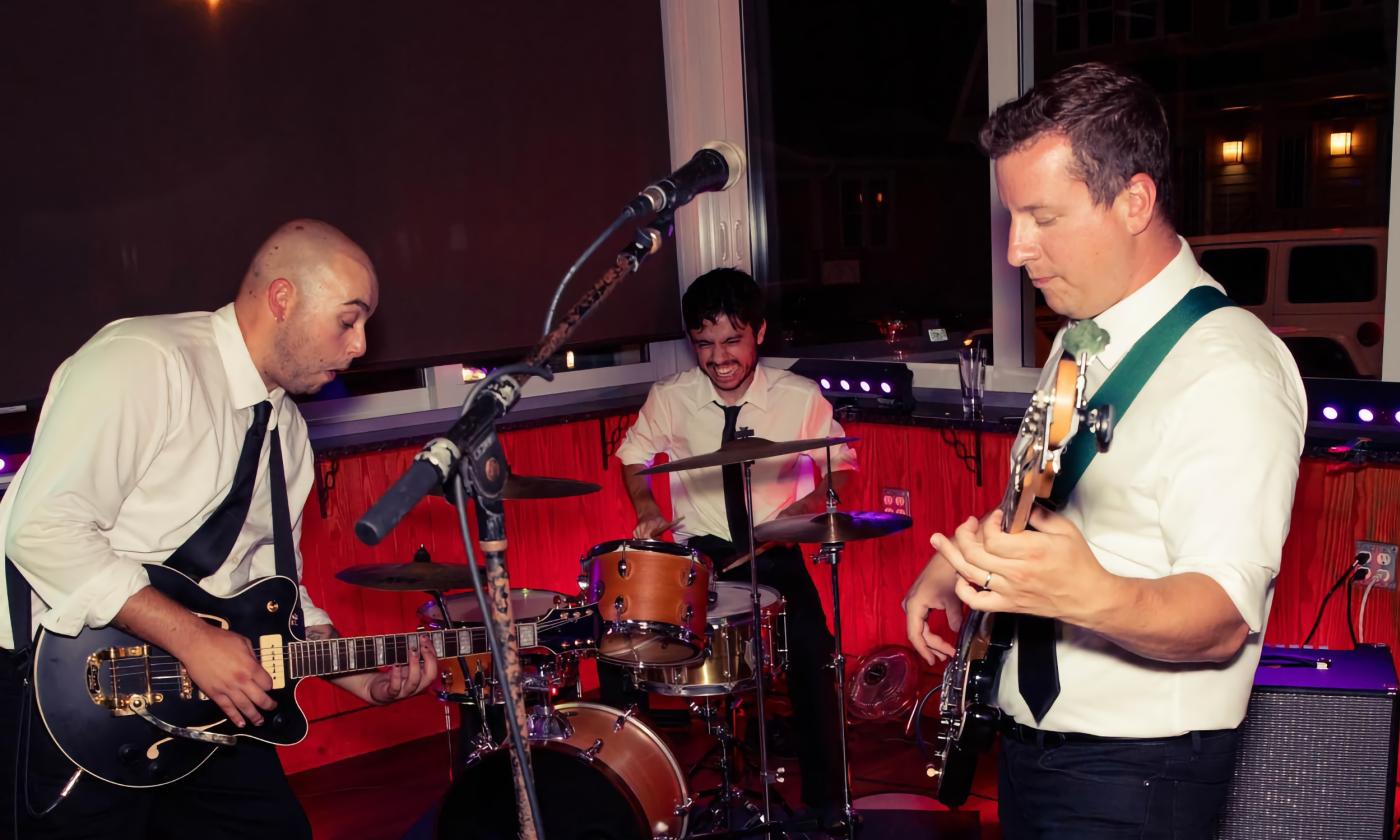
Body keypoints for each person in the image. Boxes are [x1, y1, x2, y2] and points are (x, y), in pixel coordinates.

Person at [902, 62, 1306, 838]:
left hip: (1138, 773)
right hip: (1035, 746)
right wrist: (960, 561)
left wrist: (1085, 594)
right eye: (1011, 217)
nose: (1018, 249)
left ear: (1134, 201)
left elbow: (1223, 616)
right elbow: (1052, 496)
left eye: (1042, 217)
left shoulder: (1230, 370)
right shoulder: (1085, 335)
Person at [0, 219, 438, 839]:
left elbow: (266, 587)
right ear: (283, 299)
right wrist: (193, 641)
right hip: (72, 692)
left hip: (209, 710)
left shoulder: (287, 433)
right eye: (349, 319)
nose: (361, 345)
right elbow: (43, 529)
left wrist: (358, 675)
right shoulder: (146, 363)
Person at [609, 267, 858, 818]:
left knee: (814, 662)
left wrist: (810, 505)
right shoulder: (670, 397)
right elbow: (632, 458)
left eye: (731, 340)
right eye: (704, 344)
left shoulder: (799, 397)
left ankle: (826, 804)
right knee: (625, 650)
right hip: (704, 559)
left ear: (759, 333)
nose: (718, 357)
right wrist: (648, 507)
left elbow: (840, 463)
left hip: (777, 552)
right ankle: (636, 796)